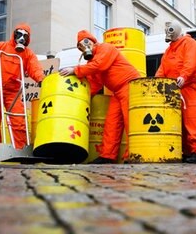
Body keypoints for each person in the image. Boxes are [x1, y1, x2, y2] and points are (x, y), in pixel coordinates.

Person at [59, 30, 140, 164]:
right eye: (80, 46)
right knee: (111, 124)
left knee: (130, 122)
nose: (83, 47)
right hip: (117, 91)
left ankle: (133, 155)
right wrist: (80, 100)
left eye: (85, 42)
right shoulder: (92, 63)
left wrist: (75, 70)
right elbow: (94, 84)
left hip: (130, 86)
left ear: (92, 41)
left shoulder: (106, 48)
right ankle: (107, 156)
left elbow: (100, 65)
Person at [0, 23, 44, 149]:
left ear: (28, 39)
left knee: (19, 120)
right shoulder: (1, 47)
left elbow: (35, 68)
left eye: (25, 36)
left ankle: (20, 149)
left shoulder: (28, 54)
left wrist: (40, 79)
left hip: (13, 91)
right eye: (19, 34)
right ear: (14, 35)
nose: (21, 38)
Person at [155, 21, 196, 163]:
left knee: (192, 119)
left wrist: (184, 76)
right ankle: (185, 151)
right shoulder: (169, 50)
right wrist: (157, 82)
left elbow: (191, 62)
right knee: (178, 122)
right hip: (174, 90)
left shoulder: (189, 43)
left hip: (190, 87)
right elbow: (162, 69)